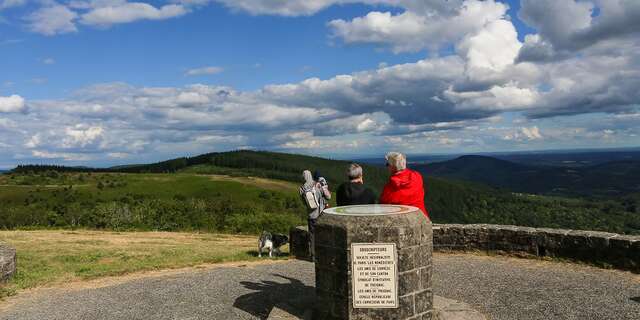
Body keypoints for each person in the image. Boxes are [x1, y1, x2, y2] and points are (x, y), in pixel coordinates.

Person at [380, 152, 429, 219]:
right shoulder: (417, 176)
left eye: (387, 164)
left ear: (392, 167)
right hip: (422, 218)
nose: (386, 166)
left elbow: (383, 205)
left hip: (402, 222)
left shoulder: (391, 186)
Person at [299, 170, 331, 259]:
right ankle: (323, 254)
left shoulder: (302, 188)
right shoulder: (317, 184)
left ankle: (313, 255)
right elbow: (328, 197)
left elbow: (304, 202)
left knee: (312, 236)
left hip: (311, 215)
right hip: (321, 214)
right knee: (323, 234)